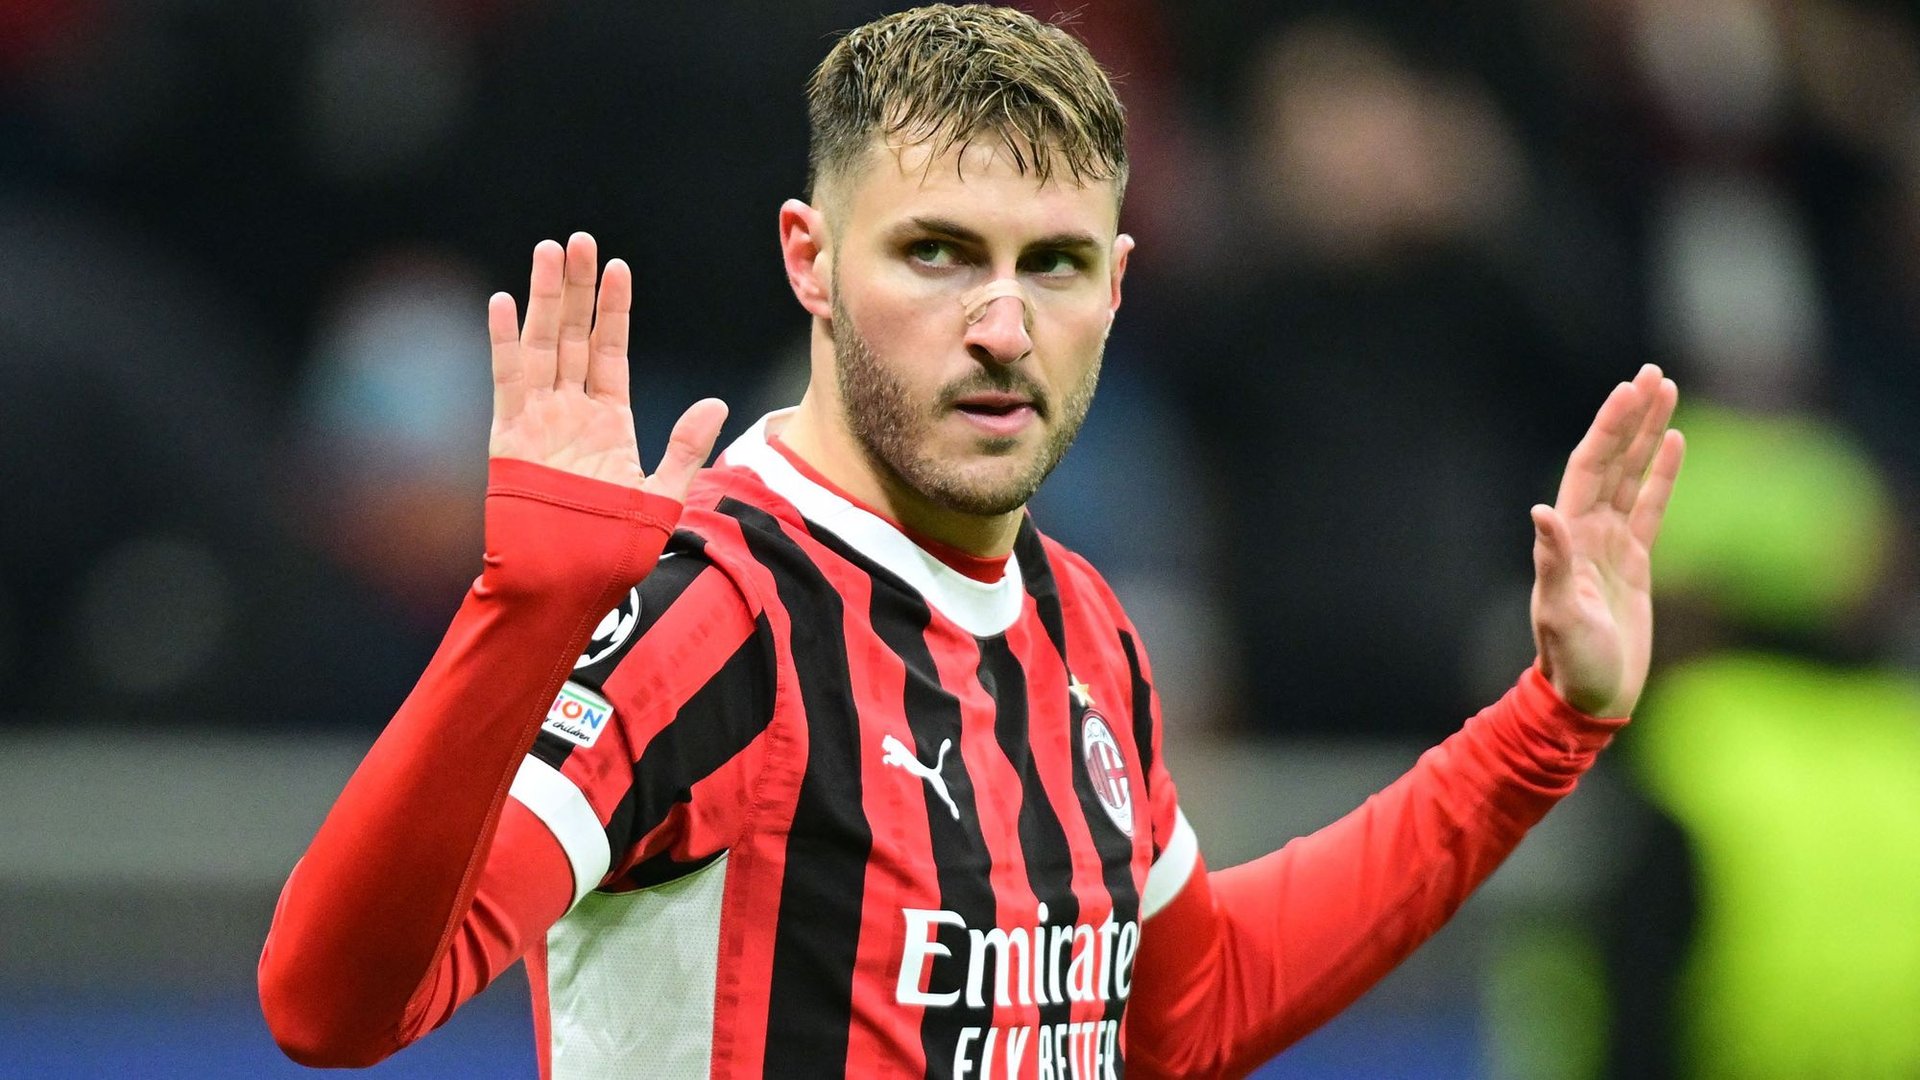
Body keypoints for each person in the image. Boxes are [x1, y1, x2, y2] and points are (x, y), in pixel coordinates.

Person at [256, 6, 1685, 1078]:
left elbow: (1190, 1008)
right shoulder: (714, 614)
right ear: (811, 259)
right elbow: (334, 1009)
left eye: (1052, 264)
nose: (1002, 328)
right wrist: (525, 615)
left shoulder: (1084, 629)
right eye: (937, 252)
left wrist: (1547, 724)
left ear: (1118, 287)